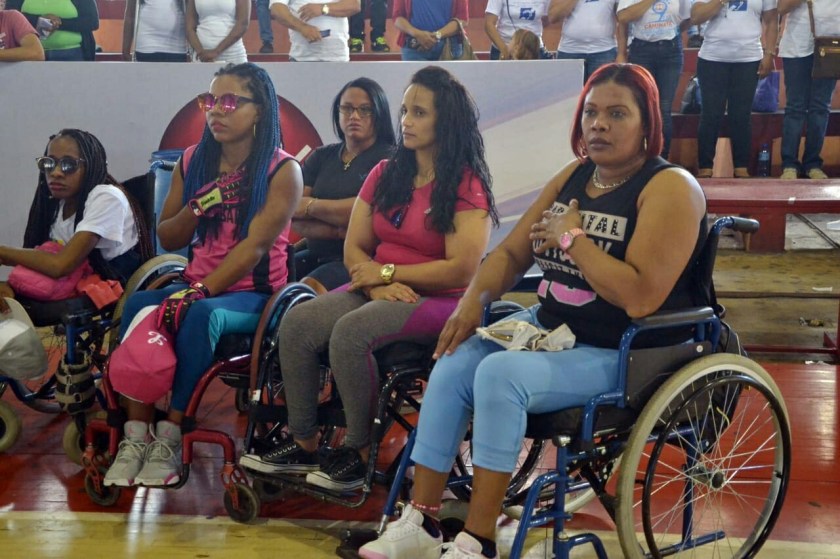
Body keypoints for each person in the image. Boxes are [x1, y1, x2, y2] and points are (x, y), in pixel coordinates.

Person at [358, 63, 708, 559]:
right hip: (552, 330)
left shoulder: (671, 187)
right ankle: (423, 520)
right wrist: (470, 305)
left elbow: (639, 297)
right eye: (591, 112)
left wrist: (573, 238)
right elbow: (509, 254)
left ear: (647, 124)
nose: (599, 124)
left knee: (500, 375)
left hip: (621, 349)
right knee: (453, 359)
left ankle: (478, 539)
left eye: (617, 114)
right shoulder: (574, 176)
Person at [238, 66, 498, 493]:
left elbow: (461, 269)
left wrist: (388, 273)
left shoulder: (466, 185)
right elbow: (355, 247)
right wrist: (377, 282)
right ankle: (304, 443)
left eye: (419, 113)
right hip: (378, 285)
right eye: (405, 111)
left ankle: (358, 453)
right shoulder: (385, 172)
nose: (406, 121)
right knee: (298, 322)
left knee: (351, 333)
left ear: (446, 122)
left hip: (441, 298)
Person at [102, 63, 303, 488]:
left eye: (229, 102)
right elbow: (168, 235)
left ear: (259, 110)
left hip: (255, 295)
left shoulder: (283, 170)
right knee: (139, 304)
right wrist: (201, 204)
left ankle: (171, 435)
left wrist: (200, 291)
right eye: (210, 101)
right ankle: (136, 436)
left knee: (200, 314)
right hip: (195, 284)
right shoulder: (192, 160)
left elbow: (254, 249)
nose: (215, 111)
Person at [0, 129, 152, 299]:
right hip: (69, 284)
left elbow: (60, 265)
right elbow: (42, 260)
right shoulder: (56, 202)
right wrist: (11, 286)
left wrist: (3, 253)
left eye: (68, 165)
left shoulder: (107, 197)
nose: (56, 173)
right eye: (48, 163)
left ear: (91, 166)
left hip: (109, 288)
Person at [292, 77, 396, 295]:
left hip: (363, 259)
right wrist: (339, 230)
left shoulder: (391, 160)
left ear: (379, 114)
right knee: (270, 274)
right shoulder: (321, 156)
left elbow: (365, 214)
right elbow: (293, 212)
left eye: (364, 110)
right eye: (347, 108)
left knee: (306, 291)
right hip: (314, 253)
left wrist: (310, 206)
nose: (354, 116)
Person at [692, 0, 779, 178]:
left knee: (741, 115)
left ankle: (741, 167)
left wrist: (770, 53)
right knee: (710, 114)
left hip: (748, 59)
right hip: (712, 59)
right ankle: (705, 167)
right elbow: (696, 17)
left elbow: (771, 20)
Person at [617, 0, 691, 160]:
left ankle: (661, 159)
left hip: (671, 50)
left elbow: (688, 17)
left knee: (664, 108)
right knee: (641, 106)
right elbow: (623, 17)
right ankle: (638, 157)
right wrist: (621, 53)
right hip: (641, 50)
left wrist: (672, 29)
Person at [778, 0, 840, 180]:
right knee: (795, 107)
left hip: (830, 47)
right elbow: (781, 8)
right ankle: (789, 164)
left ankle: (813, 164)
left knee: (820, 108)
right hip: (796, 46)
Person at [551, 0, 627, 82]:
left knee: (602, 90)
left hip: (604, 50)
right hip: (570, 51)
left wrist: (621, 54)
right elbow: (553, 17)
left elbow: (622, 20)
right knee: (569, 90)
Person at [6, 0, 98, 61]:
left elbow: (92, 21)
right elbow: (8, 17)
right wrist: (41, 20)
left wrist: (59, 22)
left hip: (72, 53)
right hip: (29, 54)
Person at [269, 0, 360, 62]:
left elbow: (354, 5)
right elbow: (276, 8)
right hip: (302, 58)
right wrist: (302, 28)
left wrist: (323, 9)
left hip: (338, 57)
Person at [393, 0, 469, 61]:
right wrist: (417, 34)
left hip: (450, 48)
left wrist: (437, 35)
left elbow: (462, 19)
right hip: (415, 48)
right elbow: (397, 17)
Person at [122, 0, 189, 62]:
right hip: (146, 47)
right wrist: (125, 51)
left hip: (177, 48)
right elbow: (130, 15)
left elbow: (191, 14)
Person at [484, 0, 549, 60]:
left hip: (534, 49)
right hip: (503, 46)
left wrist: (528, 38)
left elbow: (547, 19)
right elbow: (489, 23)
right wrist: (504, 50)